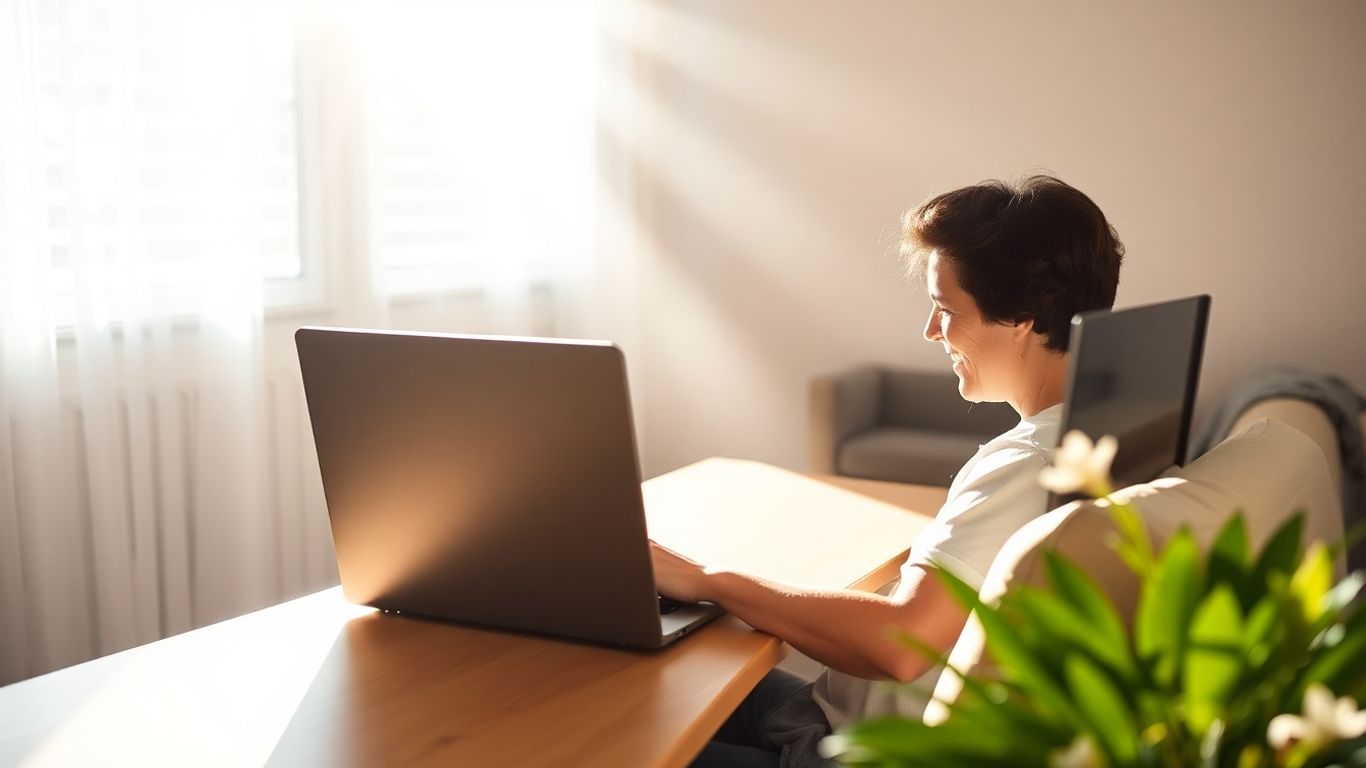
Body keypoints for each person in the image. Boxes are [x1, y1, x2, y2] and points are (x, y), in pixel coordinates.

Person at [651, 174, 1125, 768]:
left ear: (1021, 318)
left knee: (620, 734)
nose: (932, 331)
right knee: (670, 689)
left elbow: (903, 643)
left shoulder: (1029, 462)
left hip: (853, 753)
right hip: (837, 719)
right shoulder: (1104, 435)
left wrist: (708, 579)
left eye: (945, 308)